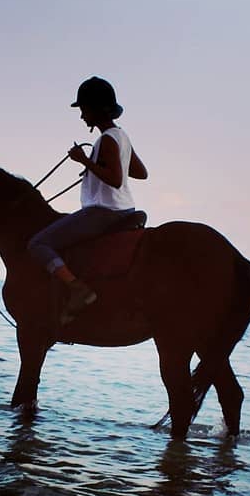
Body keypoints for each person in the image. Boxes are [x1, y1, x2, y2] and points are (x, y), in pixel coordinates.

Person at [27, 76, 149, 323]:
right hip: (125, 208)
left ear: (96, 109)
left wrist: (85, 161)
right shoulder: (120, 135)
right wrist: (97, 165)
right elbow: (139, 172)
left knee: (38, 244)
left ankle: (77, 289)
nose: (82, 115)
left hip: (104, 210)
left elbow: (115, 179)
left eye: (83, 109)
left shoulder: (106, 140)